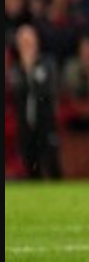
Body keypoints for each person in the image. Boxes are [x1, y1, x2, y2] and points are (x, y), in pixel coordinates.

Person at [11, 24, 62, 179]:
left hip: (45, 123)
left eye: (29, 42)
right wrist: (26, 70)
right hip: (25, 124)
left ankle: (61, 195)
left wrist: (30, 70)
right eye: (23, 43)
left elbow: (47, 90)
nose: (27, 47)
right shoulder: (15, 70)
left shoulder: (47, 64)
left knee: (52, 162)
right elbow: (17, 93)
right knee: (30, 163)